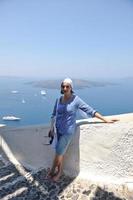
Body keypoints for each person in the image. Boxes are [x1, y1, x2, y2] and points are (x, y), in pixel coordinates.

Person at [47, 78, 119, 181]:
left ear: (71, 87)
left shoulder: (76, 100)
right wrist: (51, 128)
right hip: (57, 130)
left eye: (67, 86)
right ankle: (60, 172)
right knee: (61, 152)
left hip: (68, 131)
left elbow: (90, 110)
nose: (65, 88)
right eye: (63, 86)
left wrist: (105, 119)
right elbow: (53, 115)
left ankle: (52, 171)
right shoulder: (58, 100)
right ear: (61, 88)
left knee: (58, 152)